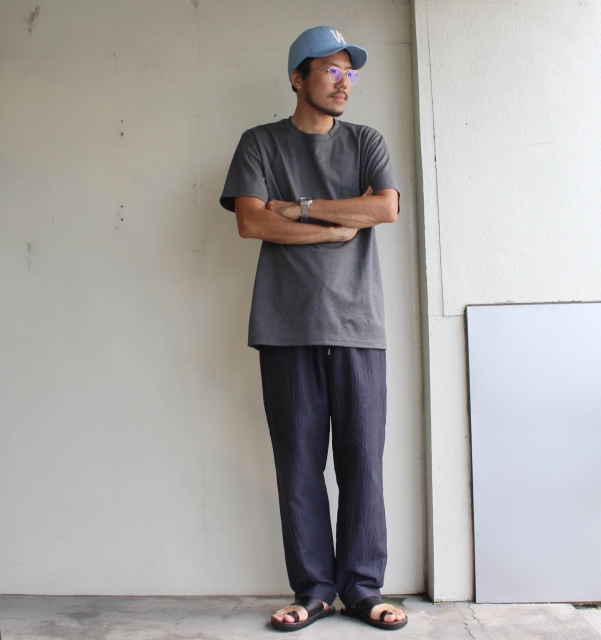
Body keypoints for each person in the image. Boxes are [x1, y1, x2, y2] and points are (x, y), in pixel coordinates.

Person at [219, 26, 407, 632]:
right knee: (298, 464)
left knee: (363, 463)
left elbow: (384, 207)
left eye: (350, 72)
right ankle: (315, 589)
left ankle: (363, 588)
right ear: (297, 78)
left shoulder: (366, 141)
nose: (344, 81)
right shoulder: (260, 143)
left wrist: (299, 209)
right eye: (331, 70)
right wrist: (336, 228)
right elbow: (251, 222)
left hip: (359, 324)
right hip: (285, 325)